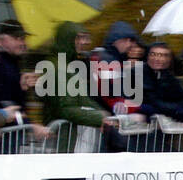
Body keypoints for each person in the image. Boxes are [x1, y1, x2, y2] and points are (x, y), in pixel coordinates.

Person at [41, 22, 125, 151]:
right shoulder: (57, 67)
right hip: (60, 135)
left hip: (69, 134)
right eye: (79, 38)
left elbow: (82, 98)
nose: (85, 42)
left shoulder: (69, 64)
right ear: (67, 39)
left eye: (86, 38)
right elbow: (64, 108)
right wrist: (99, 118)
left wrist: (102, 115)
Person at [0, 21, 38, 110]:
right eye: (16, 38)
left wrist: (22, 84)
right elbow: (5, 102)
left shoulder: (10, 62)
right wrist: (25, 122)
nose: (22, 43)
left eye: (23, 38)